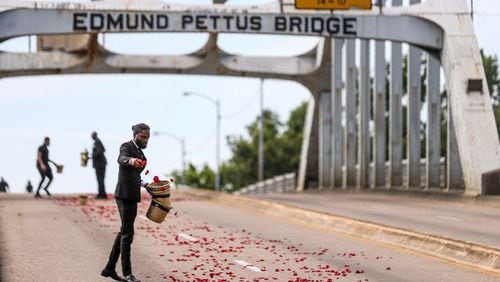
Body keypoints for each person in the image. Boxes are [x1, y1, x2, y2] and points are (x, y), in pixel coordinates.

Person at [101, 123, 150, 282]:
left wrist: (146, 185)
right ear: (135, 135)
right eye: (143, 137)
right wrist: (130, 161)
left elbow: (136, 178)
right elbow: (121, 159)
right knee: (128, 234)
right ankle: (128, 274)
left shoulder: (143, 156)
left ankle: (109, 268)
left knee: (124, 231)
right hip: (123, 195)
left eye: (147, 138)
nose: (146, 140)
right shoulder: (126, 147)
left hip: (133, 195)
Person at [92, 132, 108, 199]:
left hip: (100, 164)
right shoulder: (98, 141)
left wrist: (93, 156)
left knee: (100, 179)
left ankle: (102, 194)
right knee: (101, 179)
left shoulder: (97, 142)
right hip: (101, 163)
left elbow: (100, 151)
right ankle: (102, 193)